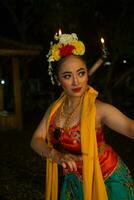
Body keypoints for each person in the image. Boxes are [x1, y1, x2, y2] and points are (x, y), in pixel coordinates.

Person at [31, 33, 134, 200]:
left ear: (87, 74)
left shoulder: (98, 109)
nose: (76, 82)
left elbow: (130, 128)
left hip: (107, 180)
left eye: (81, 73)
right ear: (58, 80)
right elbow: (36, 139)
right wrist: (55, 154)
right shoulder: (55, 109)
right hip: (74, 182)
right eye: (67, 76)